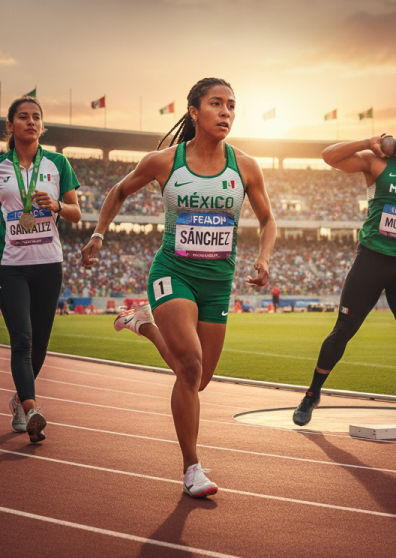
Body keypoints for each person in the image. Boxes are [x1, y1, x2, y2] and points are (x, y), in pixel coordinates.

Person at [81, 78, 276, 497]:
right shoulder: (163, 162)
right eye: (216, 104)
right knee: (188, 366)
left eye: (231, 106)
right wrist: (98, 233)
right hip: (174, 272)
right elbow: (119, 191)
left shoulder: (246, 166)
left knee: (200, 378)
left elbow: (267, 220)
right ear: (194, 112)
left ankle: (144, 324)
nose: (226, 112)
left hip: (218, 281)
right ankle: (192, 468)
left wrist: (263, 258)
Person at [293, 116, 396, 427]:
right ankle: (312, 395)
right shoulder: (379, 163)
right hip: (370, 260)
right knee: (343, 330)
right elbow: (329, 156)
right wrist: (366, 142)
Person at [0, 96, 81, 443]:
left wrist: (59, 205)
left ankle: (18, 402)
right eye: (23, 117)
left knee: (40, 346)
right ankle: (33, 409)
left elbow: (77, 213)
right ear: (10, 126)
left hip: (49, 263)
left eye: (36, 117)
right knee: (22, 339)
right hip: (11, 265)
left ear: (42, 126)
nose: (30, 122)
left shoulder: (58, 163)